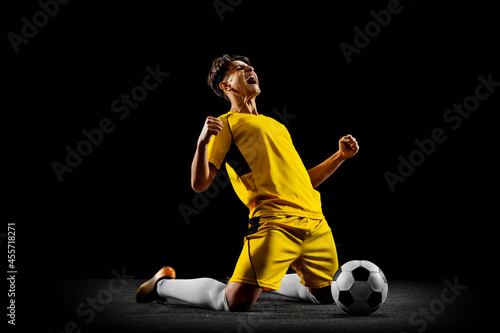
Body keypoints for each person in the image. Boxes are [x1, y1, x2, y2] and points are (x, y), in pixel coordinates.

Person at [135, 54, 359, 312]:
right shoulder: (226, 125)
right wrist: (202, 143)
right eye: (240, 69)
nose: (250, 69)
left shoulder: (276, 126)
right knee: (235, 302)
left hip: (316, 222)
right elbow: (200, 184)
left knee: (326, 295)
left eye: (250, 66)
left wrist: (340, 156)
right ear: (226, 86)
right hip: (274, 223)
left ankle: (265, 278)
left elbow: (303, 181)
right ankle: (162, 283)